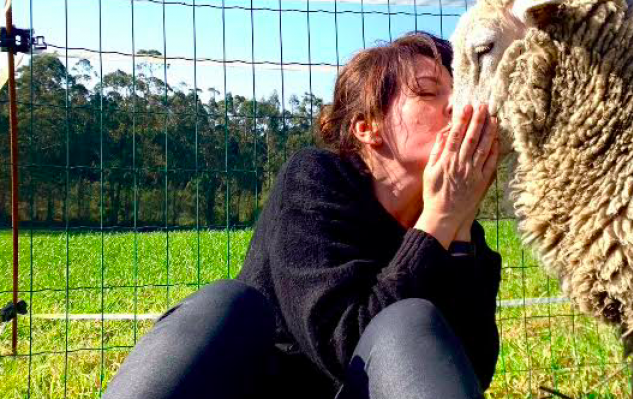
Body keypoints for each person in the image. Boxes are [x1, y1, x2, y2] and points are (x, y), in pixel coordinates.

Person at [102, 31, 503, 399]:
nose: (457, 103)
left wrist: (457, 228)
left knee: (410, 323)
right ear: (368, 127)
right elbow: (341, 344)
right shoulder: (318, 179)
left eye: (458, 89)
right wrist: (438, 221)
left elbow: (470, 371)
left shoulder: (460, 227)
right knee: (227, 304)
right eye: (429, 92)